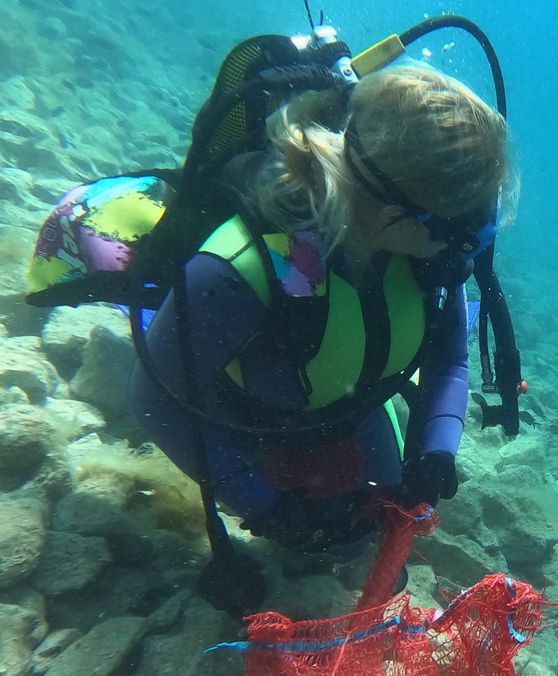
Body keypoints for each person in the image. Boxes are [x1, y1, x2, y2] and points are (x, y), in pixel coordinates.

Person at [128, 65, 512, 604]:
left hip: (349, 410)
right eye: (458, 226)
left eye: (483, 222)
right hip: (245, 420)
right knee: (315, 546)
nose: (469, 247)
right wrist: (264, 507)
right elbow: (154, 399)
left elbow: (449, 362)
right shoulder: (244, 268)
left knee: (364, 544)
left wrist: (436, 451)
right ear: (392, 212)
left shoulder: (433, 261)